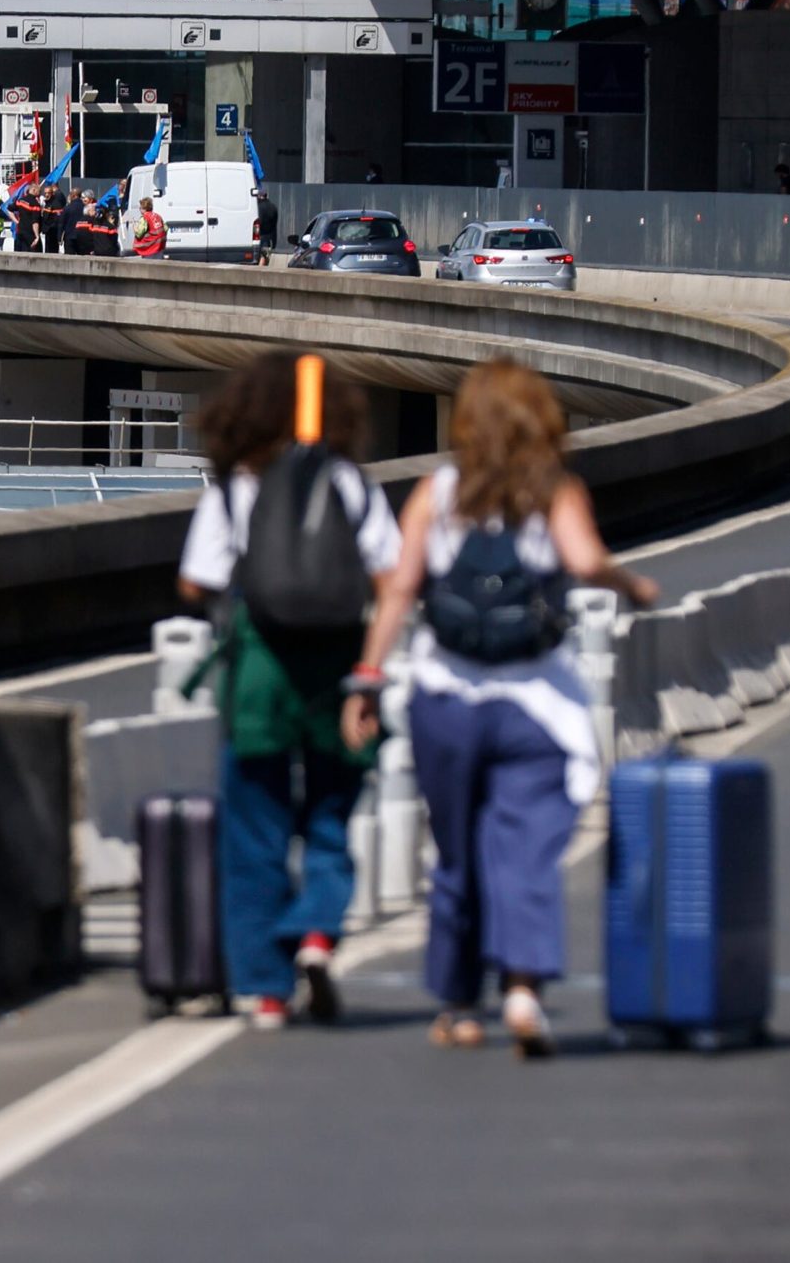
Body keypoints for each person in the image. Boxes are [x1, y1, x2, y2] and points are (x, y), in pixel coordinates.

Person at [355, 358, 657, 1057]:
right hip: (535, 705)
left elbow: (399, 590)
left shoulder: (439, 491)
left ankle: (460, 1005)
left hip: (445, 699)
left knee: (456, 852)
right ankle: (523, 989)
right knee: (523, 852)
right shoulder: (554, 489)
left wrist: (368, 677)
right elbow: (585, 563)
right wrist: (632, 584)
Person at [179, 352, 401, 1030]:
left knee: (255, 824)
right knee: (332, 811)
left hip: (260, 669)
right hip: (336, 668)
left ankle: (267, 989)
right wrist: (367, 676)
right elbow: (391, 581)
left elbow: (195, 581)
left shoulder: (235, 487)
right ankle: (315, 934)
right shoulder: (348, 482)